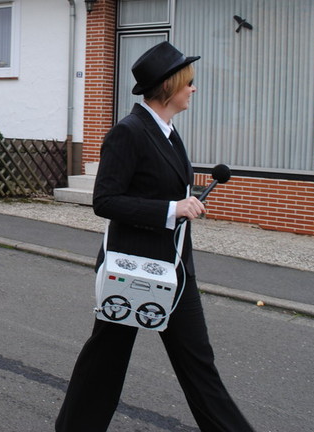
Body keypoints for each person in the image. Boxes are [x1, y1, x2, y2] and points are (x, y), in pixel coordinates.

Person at [55, 42, 254, 432]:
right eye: (189, 82)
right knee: (105, 363)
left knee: (199, 365)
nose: (194, 88)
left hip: (175, 269)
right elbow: (105, 200)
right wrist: (171, 209)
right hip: (134, 269)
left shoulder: (168, 132)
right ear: (168, 86)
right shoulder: (128, 132)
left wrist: (181, 205)